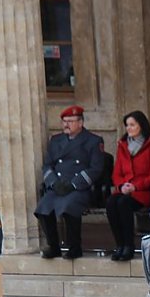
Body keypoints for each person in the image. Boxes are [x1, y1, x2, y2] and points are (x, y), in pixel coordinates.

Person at [34, 105, 105, 260]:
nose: (66, 125)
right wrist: (53, 182)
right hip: (58, 186)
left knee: (69, 207)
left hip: (79, 187)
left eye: (71, 121)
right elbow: (48, 165)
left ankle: (75, 247)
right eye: (64, 122)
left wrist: (74, 184)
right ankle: (54, 246)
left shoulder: (93, 141)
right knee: (43, 208)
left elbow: (96, 169)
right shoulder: (56, 140)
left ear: (80, 123)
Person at [105, 111, 150, 261]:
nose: (129, 128)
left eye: (132, 125)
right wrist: (121, 185)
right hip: (124, 189)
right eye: (127, 125)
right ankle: (120, 245)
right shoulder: (122, 145)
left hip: (143, 191)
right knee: (112, 202)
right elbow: (116, 172)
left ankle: (129, 246)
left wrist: (135, 187)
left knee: (123, 203)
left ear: (141, 125)